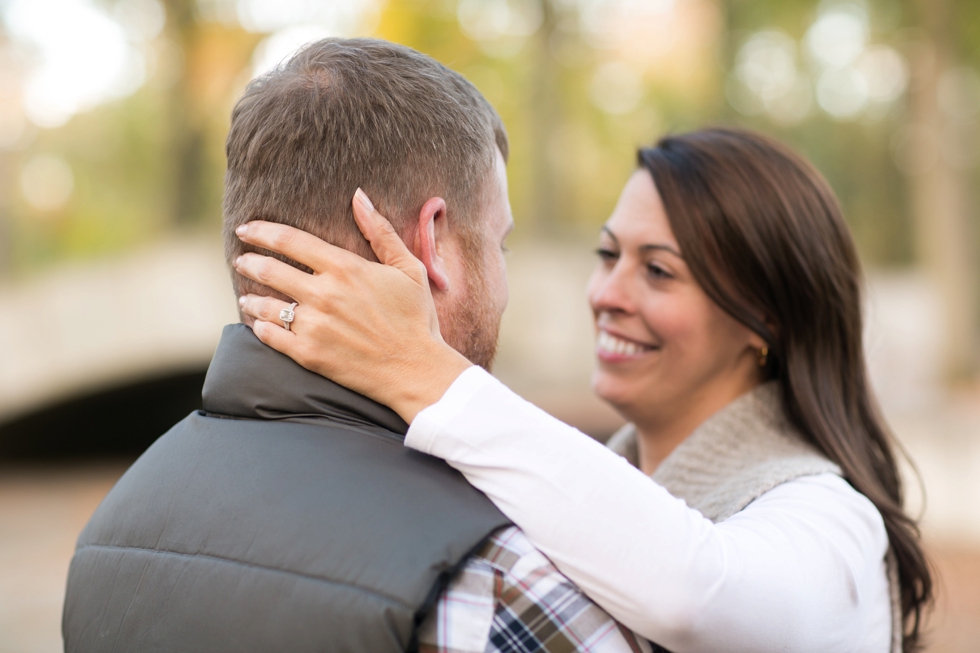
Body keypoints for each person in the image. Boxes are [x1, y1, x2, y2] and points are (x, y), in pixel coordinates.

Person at [231, 128, 933, 653]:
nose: (607, 294)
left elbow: (696, 594)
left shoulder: (832, 520)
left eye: (658, 271)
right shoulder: (577, 488)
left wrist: (425, 371)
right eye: (608, 255)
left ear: (766, 319)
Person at [62, 38, 648, 653]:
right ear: (434, 243)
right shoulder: (492, 579)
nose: (504, 284)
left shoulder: (107, 535)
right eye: (500, 244)